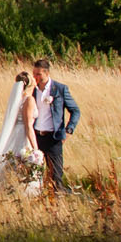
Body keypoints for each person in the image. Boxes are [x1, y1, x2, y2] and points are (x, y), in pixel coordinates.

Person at [29, 58, 80, 192]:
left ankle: (59, 202)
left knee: (56, 177)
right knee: (34, 175)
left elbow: (75, 110)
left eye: (38, 74)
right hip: (36, 136)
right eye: (34, 73)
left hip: (53, 137)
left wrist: (69, 130)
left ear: (47, 73)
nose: (35, 77)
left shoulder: (60, 89)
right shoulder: (31, 90)